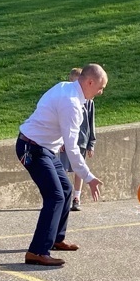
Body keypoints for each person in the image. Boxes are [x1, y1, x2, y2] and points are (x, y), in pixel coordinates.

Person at [16, 63, 107, 266]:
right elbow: (73, 148)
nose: (101, 92)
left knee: (65, 189)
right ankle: (37, 252)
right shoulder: (72, 103)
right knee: (55, 196)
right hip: (32, 149)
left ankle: (57, 239)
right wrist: (89, 177)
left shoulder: (66, 87)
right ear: (90, 82)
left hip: (44, 149)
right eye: (101, 87)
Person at [59, 67, 97, 212]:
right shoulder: (67, 99)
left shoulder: (89, 102)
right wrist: (61, 141)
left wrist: (91, 143)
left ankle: (76, 197)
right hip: (66, 140)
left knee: (79, 169)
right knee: (61, 169)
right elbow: (61, 121)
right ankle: (62, 196)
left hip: (81, 140)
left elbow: (91, 122)